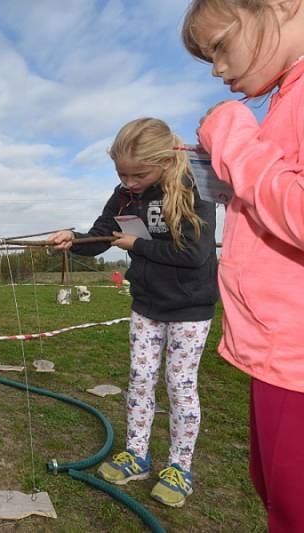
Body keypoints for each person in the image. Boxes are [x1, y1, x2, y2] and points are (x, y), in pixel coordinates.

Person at [48, 118, 219, 508]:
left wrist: (135, 246)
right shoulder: (124, 194)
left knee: (179, 385)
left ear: (163, 162)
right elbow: (101, 236)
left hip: (190, 307)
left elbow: (195, 254)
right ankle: (137, 455)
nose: (128, 181)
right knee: (140, 379)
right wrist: (72, 239)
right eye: (121, 173)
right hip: (146, 302)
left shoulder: (193, 187)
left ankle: (179, 467)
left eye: (137, 174)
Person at [182, 1, 304, 529]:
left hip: (297, 360)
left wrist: (230, 132)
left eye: (219, 47)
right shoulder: (285, 100)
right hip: (275, 353)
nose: (216, 69)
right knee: (276, 496)